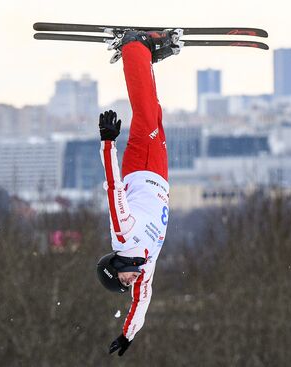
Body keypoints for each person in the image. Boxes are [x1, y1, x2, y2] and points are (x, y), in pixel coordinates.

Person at [95, 30, 181, 357]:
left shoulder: (123, 234)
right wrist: (127, 335)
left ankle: (134, 46)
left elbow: (113, 187)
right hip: (160, 172)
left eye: (123, 279)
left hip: (141, 167)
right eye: (126, 285)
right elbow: (141, 304)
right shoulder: (145, 267)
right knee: (154, 112)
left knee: (144, 112)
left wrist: (107, 142)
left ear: (115, 265)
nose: (130, 282)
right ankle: (146, 56)